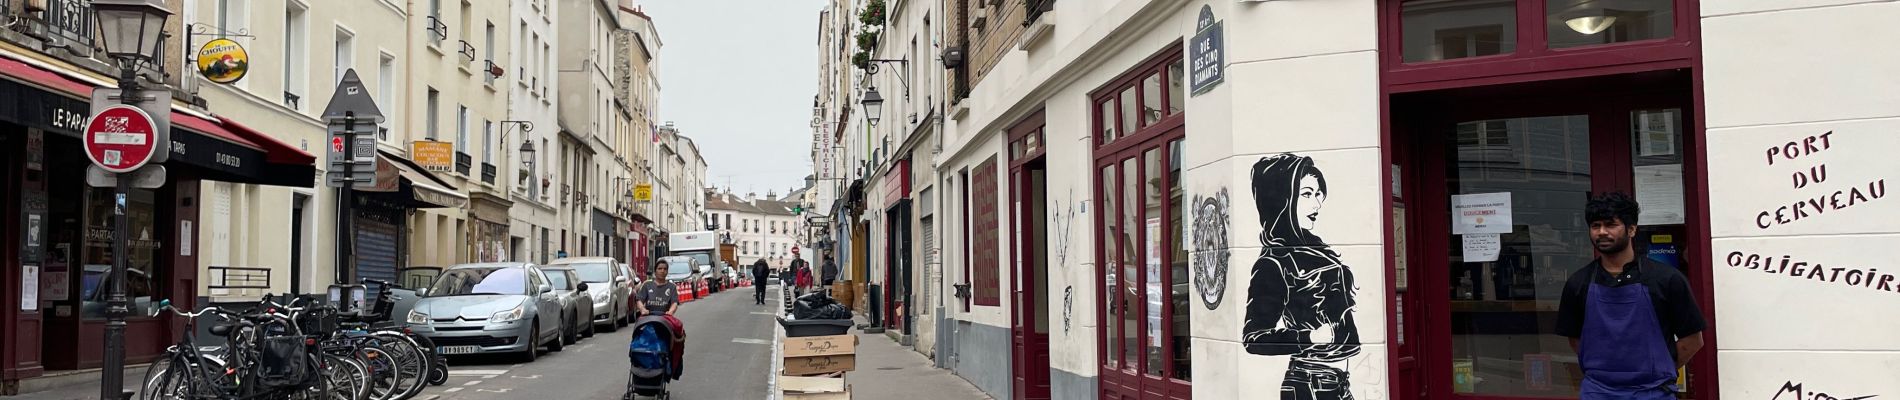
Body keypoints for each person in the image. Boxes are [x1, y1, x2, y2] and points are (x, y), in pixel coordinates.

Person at [1557, 192, 1705, 399]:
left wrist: (1658, 370)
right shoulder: (1578, 283)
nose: (1601, 232)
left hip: (1653, 393)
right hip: (1598, 392)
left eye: (1610, 225)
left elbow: (1693, 340)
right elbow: (1576, 341)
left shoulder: (1666, 279)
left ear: (1632, 229)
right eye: (1595, 226)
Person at [1241, 154, 1361, 399]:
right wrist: (1310, 337)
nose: (1316, 204)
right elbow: (1254, 338)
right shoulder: (1273, 263)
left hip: (1334, 382)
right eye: (1306, 194)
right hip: (1310, 383)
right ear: (1281, 201)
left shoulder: (1316, 248)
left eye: (1318, 194)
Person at [638, 261, 687, 378]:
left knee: (678, 335)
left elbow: (674, 303)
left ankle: (671, 366)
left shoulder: (671, 287)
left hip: (664, 319)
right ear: (655, 271)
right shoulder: (647, 285)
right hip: (648, 319)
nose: (662, 271)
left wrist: (670, 312)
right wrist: (643, 309)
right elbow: (639, 300)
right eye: (660, 268)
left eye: (665, 269)